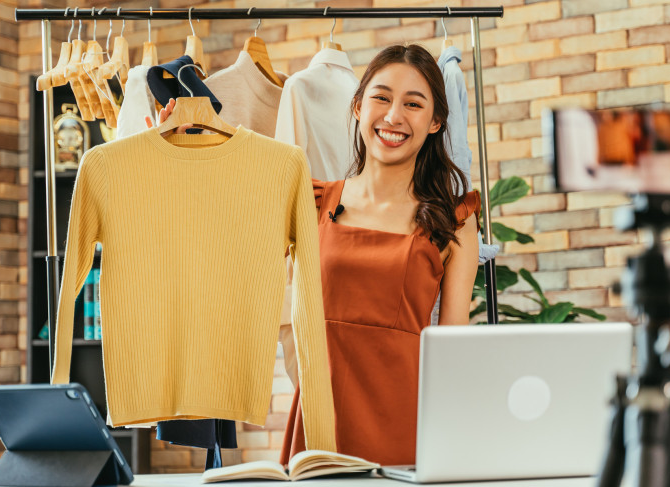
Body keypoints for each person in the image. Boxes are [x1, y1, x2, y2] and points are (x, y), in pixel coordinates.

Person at [147, 44, 480, 466]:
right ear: (357, 107)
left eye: (413, 104)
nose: (394, 116)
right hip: (320, 426)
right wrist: (172, 157)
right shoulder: (310, 199)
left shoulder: (454, 219)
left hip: (408, 428)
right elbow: (214, 233)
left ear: (434, 122)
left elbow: (453, 353)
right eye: (381, 97)